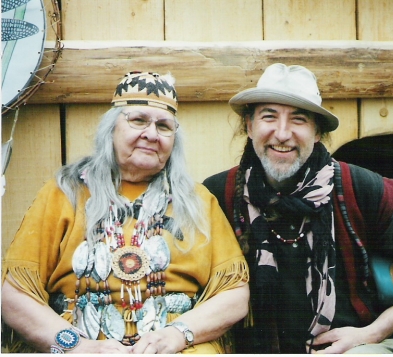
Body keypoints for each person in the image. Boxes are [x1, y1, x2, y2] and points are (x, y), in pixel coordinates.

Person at [203, 63, 393, 354]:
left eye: (298, 120)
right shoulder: (220, 193)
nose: (282, 134)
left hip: (366, 345)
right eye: (269, 117)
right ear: (249, 126)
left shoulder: (360, 188)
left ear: (317, 131)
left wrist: (372, 333)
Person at [1, 71, 249, 354]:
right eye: (138, 120)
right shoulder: (63, 193)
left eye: (165, 126)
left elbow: (234, 295)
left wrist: (177, 335)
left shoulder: (198, 201)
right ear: (111, 130)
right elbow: (14, 295)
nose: (152, 134)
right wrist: (77, 346)